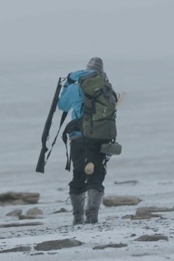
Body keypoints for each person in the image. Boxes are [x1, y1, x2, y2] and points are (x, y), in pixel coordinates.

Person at [58, 56, 116, 225]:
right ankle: (92, 216)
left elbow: (62, 105)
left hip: (78, 136)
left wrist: (67, 86)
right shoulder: (106, 88)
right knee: (96, 175)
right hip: (99, 138)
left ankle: (78, 217)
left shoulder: (76, 87)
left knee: (79, 175)